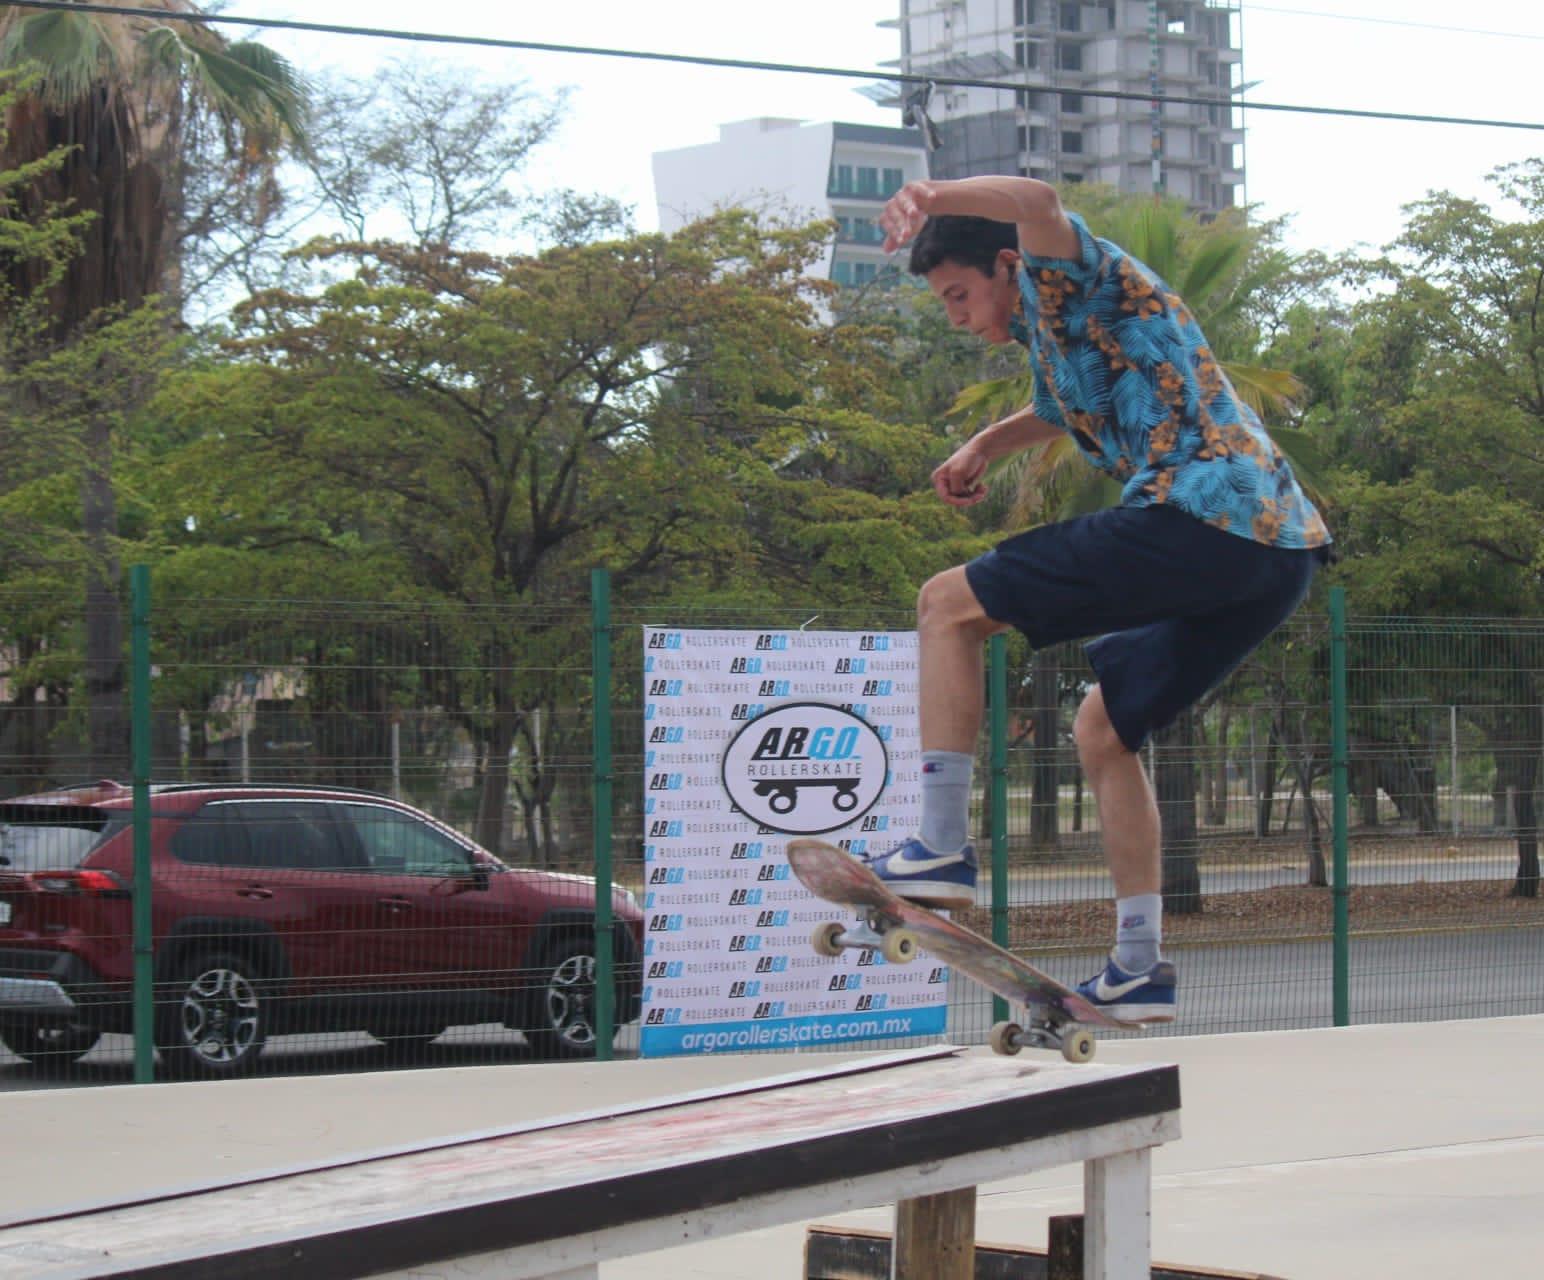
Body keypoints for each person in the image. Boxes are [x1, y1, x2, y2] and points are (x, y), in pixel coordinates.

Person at [868, 176, 1331, 1025]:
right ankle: (1139, 965)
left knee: (946, 607)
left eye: (961, 295)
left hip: (1199, 516)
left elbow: (1038, 198)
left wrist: (930, 195)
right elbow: (1058, 408)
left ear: (1008, 266)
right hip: (1277, 551)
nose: (959, 317)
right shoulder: (1055, 343)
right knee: (1103, 728)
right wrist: (983, 442)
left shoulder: (1066, 275)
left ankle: (938, 846)